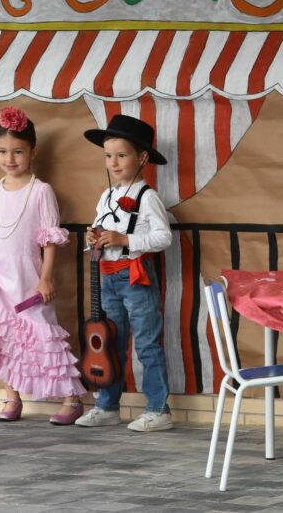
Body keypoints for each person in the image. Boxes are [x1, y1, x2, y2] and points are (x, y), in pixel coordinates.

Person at [0, 106, 87, 424]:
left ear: (33, 152)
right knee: (2, 336)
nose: (10, 159)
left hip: (28, 276)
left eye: (18, 152)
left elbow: (48, 240)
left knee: (42, 334)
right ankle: (12, 396)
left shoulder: (41, 192)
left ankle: (72, 397)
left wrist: (46, 278)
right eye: (3, 151)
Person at [76, 114, 174, 432]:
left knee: (146, 342)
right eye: (108, 156)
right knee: (111, 342)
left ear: (141, 157)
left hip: (135, 276)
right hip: (108, 276)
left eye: (122, 155)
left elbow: (163, 238)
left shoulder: (149, 198)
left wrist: (125, 239)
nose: (114, 163)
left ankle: (159, 409)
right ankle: (107, 405)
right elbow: (102, 230)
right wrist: (94, 238)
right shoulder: (107, 196)